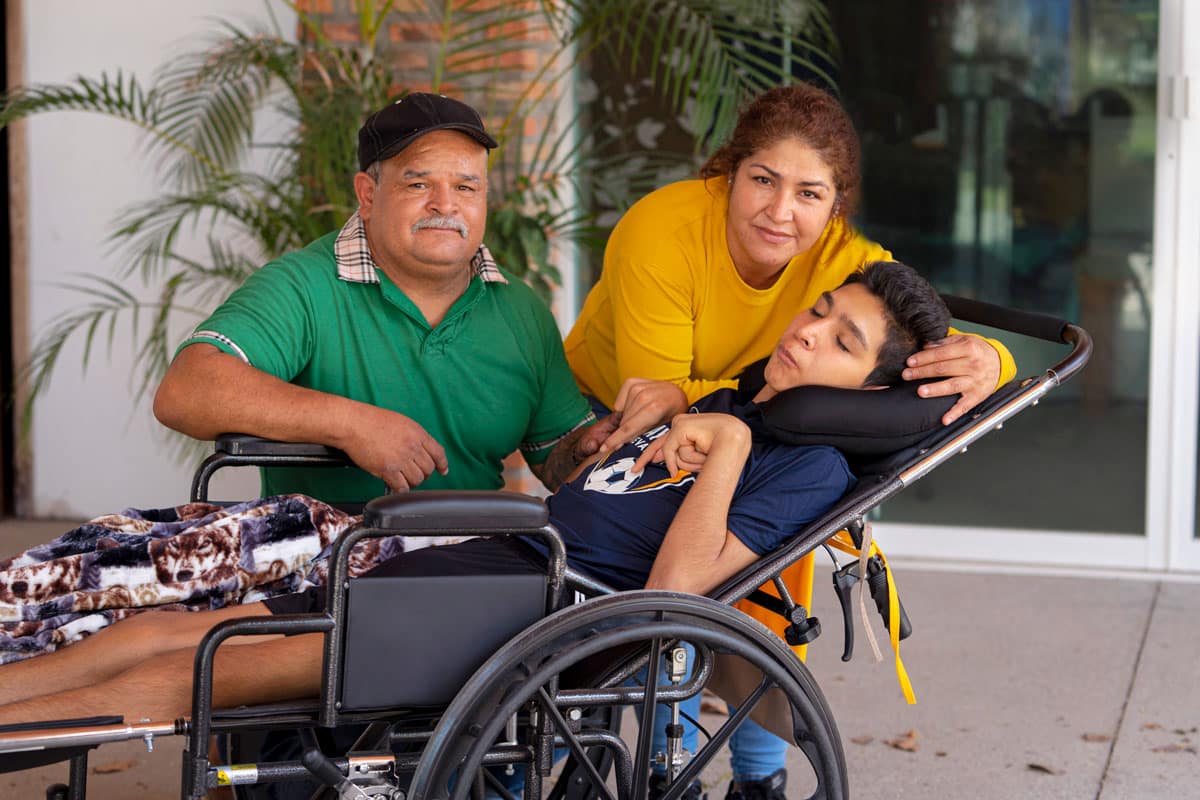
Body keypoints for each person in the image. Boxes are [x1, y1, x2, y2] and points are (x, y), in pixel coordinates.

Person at [0, 263, 947, 800]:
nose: (807, 333)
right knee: (176, 629)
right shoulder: (737, 402)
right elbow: (601, 484)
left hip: (522, 612)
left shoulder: (800, 462)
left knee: (212, 663)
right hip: (490, 563)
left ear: (868, 388)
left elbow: (677, 597)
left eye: (841, 340)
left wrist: (730, 442)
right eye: (819, 311)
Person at [562, 83, 1018, 799]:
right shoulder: (666, 232)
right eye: (764, 181)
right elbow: (663, 399)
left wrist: (996, 361)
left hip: (754, 413)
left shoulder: (844, 257)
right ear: (728, 173)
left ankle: (758, 775)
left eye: (810, 193)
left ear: (835, 206)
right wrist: (726, 413)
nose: (782, 211)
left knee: (760, 574)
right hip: (637, 397)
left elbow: (908, 336)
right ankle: (661, 760)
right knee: (676, 571)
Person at [152, 92, 601, 504]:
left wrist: (599, 442)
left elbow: (558, 461)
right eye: (418, 184)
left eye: (466, 187)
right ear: (368, 195)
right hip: (330, 567)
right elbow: (185, 391)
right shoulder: (304, 285)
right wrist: (352, 424)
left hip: (479, 561)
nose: (446, 205)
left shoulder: (522, 312)